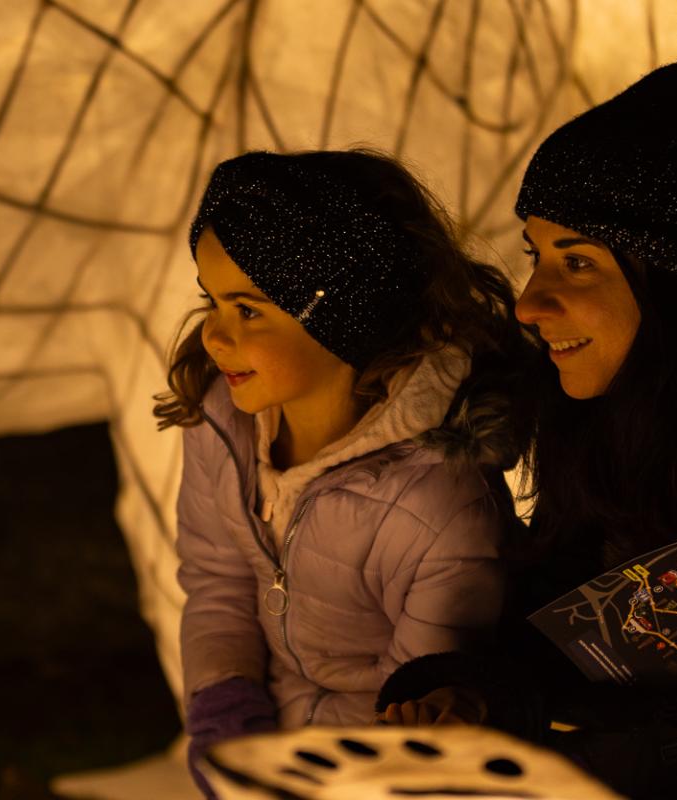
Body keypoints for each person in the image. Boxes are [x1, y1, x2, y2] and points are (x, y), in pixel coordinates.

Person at [375, 1, 677, 797]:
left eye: (578, 265)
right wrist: (482, 699)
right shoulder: (621, 408)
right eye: (536, 255)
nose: (530, 304)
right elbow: (585, 623)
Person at [153, 148, 535, 793]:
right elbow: (218, 578)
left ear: (342, 319)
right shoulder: (224, 419)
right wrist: (226, 721)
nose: (215, 337)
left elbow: (421, 704)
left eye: (248, 310)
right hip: (268, 746)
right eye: (211, 301)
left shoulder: (439, 509)